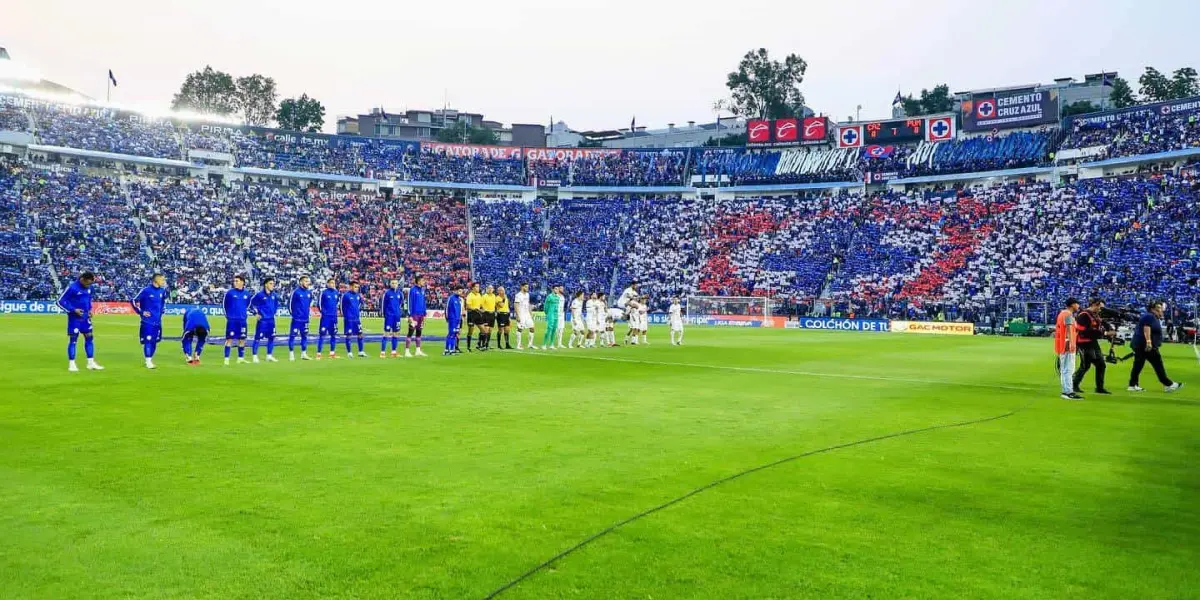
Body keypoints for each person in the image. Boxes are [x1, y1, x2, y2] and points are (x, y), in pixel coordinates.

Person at [1128, 301, 1184, 393]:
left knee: (1138, 365)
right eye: (1159, 307)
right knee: (1157, 364)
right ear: (1153, 309)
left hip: (1141, 345)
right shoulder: (1150, 316)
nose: (1161, 309)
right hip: (1146, 346)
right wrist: (1149, 342)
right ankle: (1168, 384)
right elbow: (1146, 328)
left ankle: (1132, 385)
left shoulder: (1152, 317)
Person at [57, 272, 103, 372]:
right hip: (75, 319)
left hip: (86, 318)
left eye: (90, 283)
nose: (88, 285)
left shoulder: (90, 288)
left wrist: (90, 309)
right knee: (73, 340)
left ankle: (90, 363)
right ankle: (72, 364)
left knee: (89, 338)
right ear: (82, 279)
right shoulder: (72, 288)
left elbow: (88, 299)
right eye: (87, 283)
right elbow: (60, 301)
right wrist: (73, 310)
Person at [1072, 298, 1110, 394]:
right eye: (1100, 307)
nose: (1101, 310)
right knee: (1086, 365)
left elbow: (1101, 324)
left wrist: (1108, 328)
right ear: (1094, 305)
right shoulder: (1083, 315)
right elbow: (1082, 331)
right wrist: (1103, 333)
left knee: (1098, 365)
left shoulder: (1094, 315)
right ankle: (1074, 384)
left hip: (1092, 342)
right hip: (1083, 342)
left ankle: (1099, 388)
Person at [130, 273, 167, 369]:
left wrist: (162, 309)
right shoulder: (146, 290)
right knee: (148, 341)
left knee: (154, 342)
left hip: (158, 321)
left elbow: (163, 301)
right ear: (156, 280)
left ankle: (150, 359)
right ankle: (148, 360)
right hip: (147, 321)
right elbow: (133, 300)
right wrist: (141, 312)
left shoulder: (162, 291)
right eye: (162, 280)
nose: (163, 282)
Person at [1054, 298, 1082, 400]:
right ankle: (1068, 392)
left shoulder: (1063, 314)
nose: (1078, 306)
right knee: (1068, 369)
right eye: (1077, 304)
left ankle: (1067, 390)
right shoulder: (1068, 314)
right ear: (1073, 304)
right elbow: (1069, 328)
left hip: (1064, 343)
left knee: (1066, 369)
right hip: (1067, 344)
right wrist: (1071, 343)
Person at [222, 275, 252, 366]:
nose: (235, 282)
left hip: (242, 320)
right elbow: (224, 305)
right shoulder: (230, 293)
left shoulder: (247, 294)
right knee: (229, 339)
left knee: (242, 339)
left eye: (237, 281)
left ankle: (240, 358)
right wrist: (228, 316)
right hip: (232, 320)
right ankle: (226, 359)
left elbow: (248, 305)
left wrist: (242, 314)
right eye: (234, 281)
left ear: (242, 282)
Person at [250, 277, 280, 363]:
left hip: (271, 320)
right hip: (262, 320)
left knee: (271, 338)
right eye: (271, 284)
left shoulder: (274, 295)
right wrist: (255, 313)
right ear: (266, 284)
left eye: (273, 284)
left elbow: (276, 305)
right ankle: (255, 356)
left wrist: (273, 312)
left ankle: (269, 356)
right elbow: (250, 304)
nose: (272, 285)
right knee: (258, 338)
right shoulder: (259, 295)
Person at [288, 275, 313, 361]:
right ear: (301, 282)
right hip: (297, 319)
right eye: (306, 281)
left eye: (308, 281)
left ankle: (304, 354)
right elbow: (290, 305)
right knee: (292, 336)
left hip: (305, 319)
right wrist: (294, 315)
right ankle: (291, 354)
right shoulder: (296, 292)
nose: (307, 283)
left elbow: (308, 304)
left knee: (304, 336)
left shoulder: (309, 293)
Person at [316, 278, 340, 359]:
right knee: (322, 335)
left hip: (334, 317)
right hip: (325, 318)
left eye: (334, 283)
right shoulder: (324, 292)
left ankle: (332, 353)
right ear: (328, 284)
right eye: (331, 283)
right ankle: (319, 353)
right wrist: (324, 313)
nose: (333, 284)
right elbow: (319, 304)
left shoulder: (336, 293)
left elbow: (337, 303)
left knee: (333, 335)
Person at [341, 281, 366, 358]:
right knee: (349, 335)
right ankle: (349, 352)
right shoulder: (345, 295)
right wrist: (346, 316)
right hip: (349, 319)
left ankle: (361, 351)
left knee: (360, 334)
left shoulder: (358, 295)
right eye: (355, 287)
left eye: (358, 287)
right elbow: (341, 307)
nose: (357, 288)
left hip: (357, 319)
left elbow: (360, 304)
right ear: (351, 287)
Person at [405, 274, 428, 357]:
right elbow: (409, 302)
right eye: (422, 280)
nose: (424, 282)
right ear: (418, 281)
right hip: (414, 315)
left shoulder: (422, 290)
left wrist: (424, 314)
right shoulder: (412, 290)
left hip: (421, 315)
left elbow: (423, 302)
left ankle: (418, 350)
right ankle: (407, 351)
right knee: (410, 332)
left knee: (419, 332)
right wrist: (410, 315)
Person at [381, 279, 404, 358]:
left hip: (397, 316)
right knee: (386, 333)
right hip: (389, 316)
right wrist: (385, 314)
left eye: (396, 283)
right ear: (390, 284)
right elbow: (383, 305)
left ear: (398, 284)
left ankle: (393, 352)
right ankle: (382, 352)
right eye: (393, 283)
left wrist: (398, 312)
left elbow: (401, 303)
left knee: (396, 334)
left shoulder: (399, 293)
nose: (394, 284)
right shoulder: (387, 293)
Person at [514, 283, 535, 350]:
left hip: (527, 314)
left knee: (532, 328)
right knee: (520, 329)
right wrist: (517, 316)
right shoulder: (518, 295)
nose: (527, 288)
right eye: (526, 287)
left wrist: (530, 313)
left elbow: (528, 304)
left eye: (527, 287)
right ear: (522, 287)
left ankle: (530, 344)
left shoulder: (527, 295)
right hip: (521, 314)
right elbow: (516, 305)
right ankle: (518, 345)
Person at [445, 285, 463, 356]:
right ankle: (446, 350)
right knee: (451, 334)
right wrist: (447, 318)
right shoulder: (451, 298)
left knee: (455, 334)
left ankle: (452, 350)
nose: (460, 292)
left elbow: (459, 310)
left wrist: (460, 318)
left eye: (461, 291)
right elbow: (447, 309)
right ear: (455, 291)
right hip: (452, 319)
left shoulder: (459, 299)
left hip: (458, 320)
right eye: (459, 291)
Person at [541, 284, 562, 350]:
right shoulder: (549, 296)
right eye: (555, 288)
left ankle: (551, 344)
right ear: (552, 289)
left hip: (556, 315)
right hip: (551, 314)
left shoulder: (558, 297)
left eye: (558, 289)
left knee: (554, 329)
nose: (557, 290)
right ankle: (544, 344)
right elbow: (545, 306)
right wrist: (547, 313)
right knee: (549, 328)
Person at [465, 282, 483, 352]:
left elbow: (480, 304)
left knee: (483, 330)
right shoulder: (470, 295)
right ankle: (468, 347)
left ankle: (479, 345)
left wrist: (481, 309)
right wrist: (475, 308)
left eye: (478, 286)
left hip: (478, 314)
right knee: (470, 331)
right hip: (471, 314)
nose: (478, 288)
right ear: (473, 288)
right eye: (476, 286)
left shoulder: (479, 295)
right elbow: (468, 306)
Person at [479, 284, 498, 350]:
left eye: (491, 288)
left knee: (490, 330)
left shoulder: (494, 296)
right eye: (489, 288)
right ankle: (483, 345)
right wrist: (482, 311)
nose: (490, 289)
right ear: (487, 289)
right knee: (486, 329)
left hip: (492, 314)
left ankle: (487, 345)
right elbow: (480, 305)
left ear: (493, 289)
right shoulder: (484, 296)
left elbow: (495, 304)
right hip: (486, 314)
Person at [495, 285, 513, 350]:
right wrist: (504, 298)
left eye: (503, 290)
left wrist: (509, 316)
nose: (503, 291)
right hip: (501, 315)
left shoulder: (506, 297)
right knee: (500, 330)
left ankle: (507, 344)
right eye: (501, 290)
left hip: (506, 314)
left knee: (507, 330)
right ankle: (499, 344)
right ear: (498, 291)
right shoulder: (497, 298)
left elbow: (506, 306)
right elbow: (501, 305)